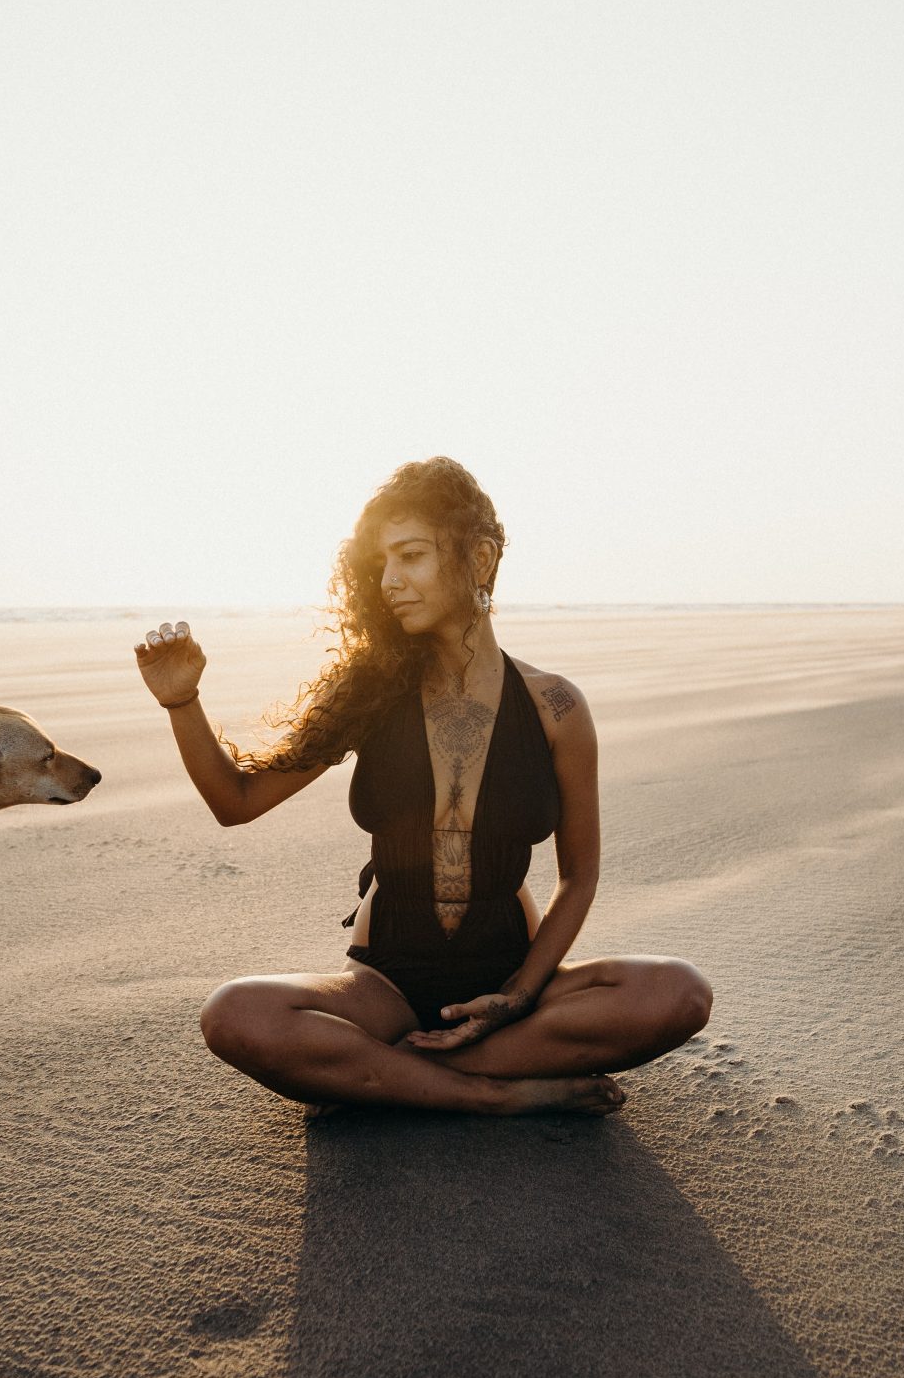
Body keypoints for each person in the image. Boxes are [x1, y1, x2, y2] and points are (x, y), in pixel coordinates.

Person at [133, 457, 711, 1115]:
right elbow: (235, 801)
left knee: (679, 992)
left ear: (482, 557)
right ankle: (490, 1095)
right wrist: (183, 703)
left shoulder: (557, 709)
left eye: (410, 556)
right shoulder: (369, 692)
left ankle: (396, 1074)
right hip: (387, 985)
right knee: (235, 1014)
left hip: (512, 976)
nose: (390, 581)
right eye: (381, 564)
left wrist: (519, 993)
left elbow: (579, 874)